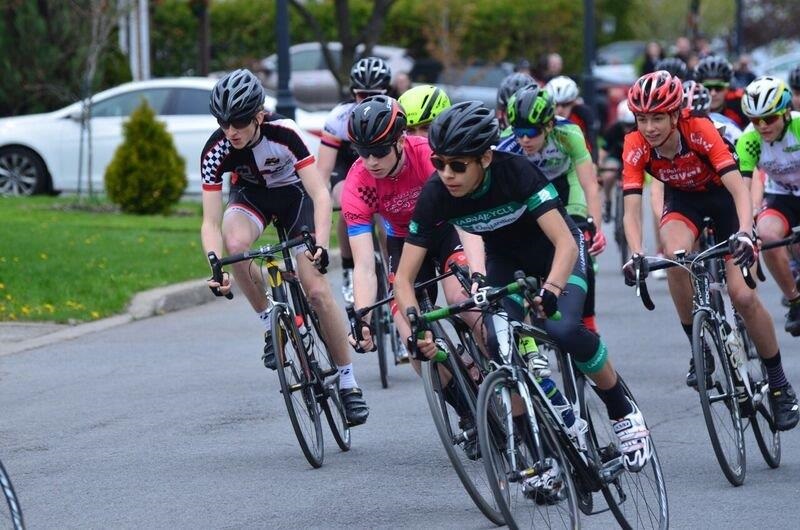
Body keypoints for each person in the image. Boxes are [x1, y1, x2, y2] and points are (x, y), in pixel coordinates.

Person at [396, 101, 654, 472]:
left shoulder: (515, 172)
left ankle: (622, 409)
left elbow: (565, 242)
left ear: (484, 158)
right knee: (500, 347)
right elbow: (404, 278)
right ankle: (541, 456)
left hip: (556, 253)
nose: (446, 174)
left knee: (562, 327)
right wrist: (413, 323)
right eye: (439, 163)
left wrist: (550, 290)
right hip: (505, 260)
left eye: (457, 165)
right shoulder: (436, 193)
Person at [621, 71, 799, 430]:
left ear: (675, 115)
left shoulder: (699, 129)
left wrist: (747, 233)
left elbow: (739, 190)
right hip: (683, 201)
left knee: (743, 297)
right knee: (673, 258)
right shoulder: (635, 145)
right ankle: (697, 344)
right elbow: (630, 209)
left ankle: (779, 384)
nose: (650, 127)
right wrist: (636, 254)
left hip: (724, 201)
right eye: (643, 119)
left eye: (658, 118)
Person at [201, 69, 370, 426]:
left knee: (317, 292)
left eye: (240, 121)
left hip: (296, 199)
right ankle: (269, 322)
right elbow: (210, 222)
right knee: (235, 245)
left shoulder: (286, 134)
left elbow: (321, 194)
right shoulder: (216, 150)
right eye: (223, 121)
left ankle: (347, 382)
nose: (231, 130)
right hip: (252, 199)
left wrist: (321, 246)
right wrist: (216, 266)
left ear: (259, 115)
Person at [342, 95, 484, 453]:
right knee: (414, 342)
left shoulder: (427, 156)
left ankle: (500, 370)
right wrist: (362, 315)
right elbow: (363, 263)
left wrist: (478, 273)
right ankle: (468, 412)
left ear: (401, 141)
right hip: (404, 245)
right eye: (363, 152)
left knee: (463, 302)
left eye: (380, 151)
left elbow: (467, 218)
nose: (371, 161)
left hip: (447, 231)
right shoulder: (357, 183)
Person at [497, 85, 606, 333]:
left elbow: (589, 184)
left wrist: (594, 226)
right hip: (531, 192)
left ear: (548, 126)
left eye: (532, 132)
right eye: (519, 131)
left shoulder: (569, 133)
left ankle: (588, 323)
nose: (524, 139)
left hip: (566, 184)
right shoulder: (506, 144)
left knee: (581, 248)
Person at [317, 57, 392, 306]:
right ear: (353, 94)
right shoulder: (339, 117)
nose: (368, 100)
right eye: (362, 95)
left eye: (375, 94)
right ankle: (349, 268)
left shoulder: (395, 111)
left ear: (387, 92)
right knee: (346, 204)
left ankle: (392, 269)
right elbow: (323, 171)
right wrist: (321, 199)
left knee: (386, 218)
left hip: (383, 169)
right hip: (348, 167)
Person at [736, 76, 800, 336]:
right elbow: (743, 184)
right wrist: (746, 221)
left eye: (770, 118)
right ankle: (795, 301)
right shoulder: (748, 139)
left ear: (786, 112)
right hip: (780, 196)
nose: (762, 126)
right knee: (766, 234)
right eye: (755, 120)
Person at [544, 76, 598, 159]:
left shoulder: (583, 114)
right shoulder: (543, 117)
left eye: (566, 104)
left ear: (574, 102)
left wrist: (594, 164)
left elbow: (592, 143)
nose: (560, 109)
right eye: (556, 104)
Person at [693, 55, 747, 129]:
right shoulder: (690, 108)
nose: (713, 93)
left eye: (718, 87)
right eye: (707, 87)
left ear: (728, 88)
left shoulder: (741, 102)